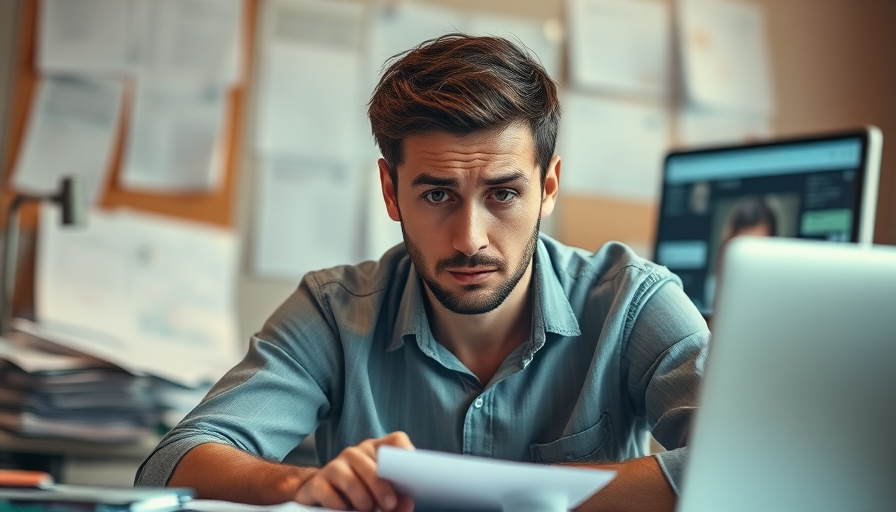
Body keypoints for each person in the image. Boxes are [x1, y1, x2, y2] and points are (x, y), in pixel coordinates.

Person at [135, 34, 709, 512]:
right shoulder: (334, 312)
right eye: (437, 194)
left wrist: (522, 497)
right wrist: (302, 485)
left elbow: (755, 466)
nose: (469, 239)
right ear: (391, 191)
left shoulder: (633, 302)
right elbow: (173, 461)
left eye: (504, 194)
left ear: (548, 187)